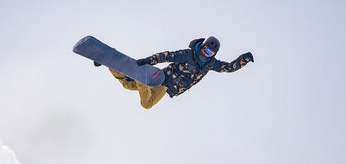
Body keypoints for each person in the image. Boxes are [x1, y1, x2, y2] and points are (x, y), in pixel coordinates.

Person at [101, 36, 254, 109]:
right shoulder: (189, 54)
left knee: (128, 85)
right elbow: (167, 55)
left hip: (158, 81)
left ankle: (109, 62)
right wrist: (148, 61)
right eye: (206, 50)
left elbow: (229, 68)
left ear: (214, 54)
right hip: (165, 84)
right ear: (202, 46)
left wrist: (245, 59)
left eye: (210, 52)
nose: (207, 54)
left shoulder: (211, 64)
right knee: (146, 104)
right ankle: (141, 77)